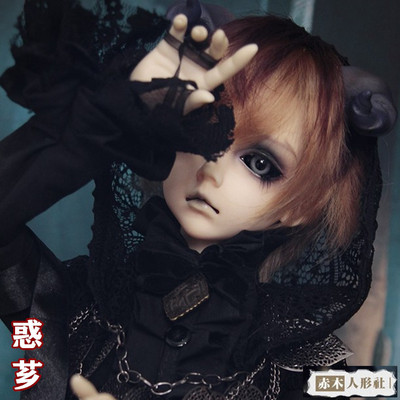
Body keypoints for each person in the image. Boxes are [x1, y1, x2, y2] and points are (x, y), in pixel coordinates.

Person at [0, 0, 396, 399]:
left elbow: (380, 384)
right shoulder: (71, 303)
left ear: (300, 206)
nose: (212, 171)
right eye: (202, 129)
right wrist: (106, 121)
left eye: (259, 163)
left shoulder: (315, 374)